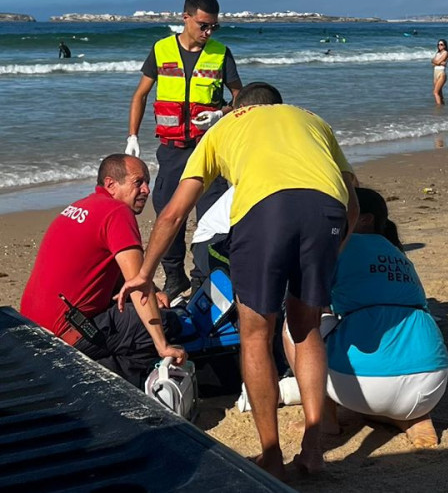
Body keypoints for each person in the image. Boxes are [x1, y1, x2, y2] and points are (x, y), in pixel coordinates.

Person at [119, 82, 359, 479]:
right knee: (306, 327)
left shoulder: (224, 127)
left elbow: (174, 214)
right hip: (326, 208)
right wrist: (332, 252)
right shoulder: (314, 120)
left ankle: (271, 455)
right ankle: (314, 450)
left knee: (255, 333)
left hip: (266, 210)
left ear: (236, 107)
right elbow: (353, 204)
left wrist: (144, 274)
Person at [282, 188, 448, 448]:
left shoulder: (341, 248)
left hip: (367, 385)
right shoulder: (397, 253)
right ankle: (413, 417)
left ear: (365, 218)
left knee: (296, 326)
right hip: (431, 384)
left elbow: (312, 304)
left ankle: (324, 419)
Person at [20, 154, 186, 387]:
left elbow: (122, 273)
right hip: (66, 333)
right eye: (138, 182)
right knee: (166, 323)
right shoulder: (117, 212)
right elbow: (139, 288)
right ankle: (112, 383)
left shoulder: (80, 206)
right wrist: (163, 346)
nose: (147, 190)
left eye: (148, 182)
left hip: (32, 327)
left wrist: (156, 291)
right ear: (111, 184)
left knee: (140, 309)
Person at [126, 0, 242, 299]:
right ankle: (175, 279)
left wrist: (220, 113)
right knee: (167, 214)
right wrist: (132, 137)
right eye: (203, 25)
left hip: (210, 151)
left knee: (211, 220)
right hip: (173, 150)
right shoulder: (162, 50)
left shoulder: (220, 53)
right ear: (185, 18)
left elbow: (240, 99)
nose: (208, 32)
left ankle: (205, 279)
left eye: (213, 26)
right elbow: (140, 95)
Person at [431, 39, 448, 105]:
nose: (439, 46)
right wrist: (437, 62)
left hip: (441, 73)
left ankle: (439, 108)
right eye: (438, 44)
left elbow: (437, 62)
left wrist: (436, 62)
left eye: (441, 44)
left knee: (435, 92)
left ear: (444, 46)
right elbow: (432, 63)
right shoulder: (438, 53)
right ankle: (442, 108)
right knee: (439, 93)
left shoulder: (445, 53)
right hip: (435, 73)